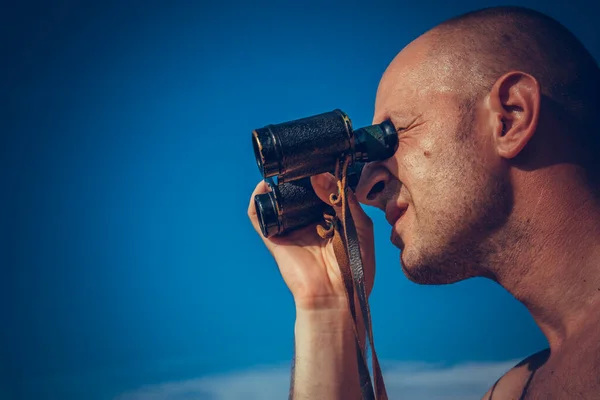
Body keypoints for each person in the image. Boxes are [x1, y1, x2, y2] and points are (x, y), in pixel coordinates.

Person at [248, 6, 600, 399]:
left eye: (393, 135)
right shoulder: (512, 391)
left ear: (510, 117)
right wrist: (326, 307)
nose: (366, 188)